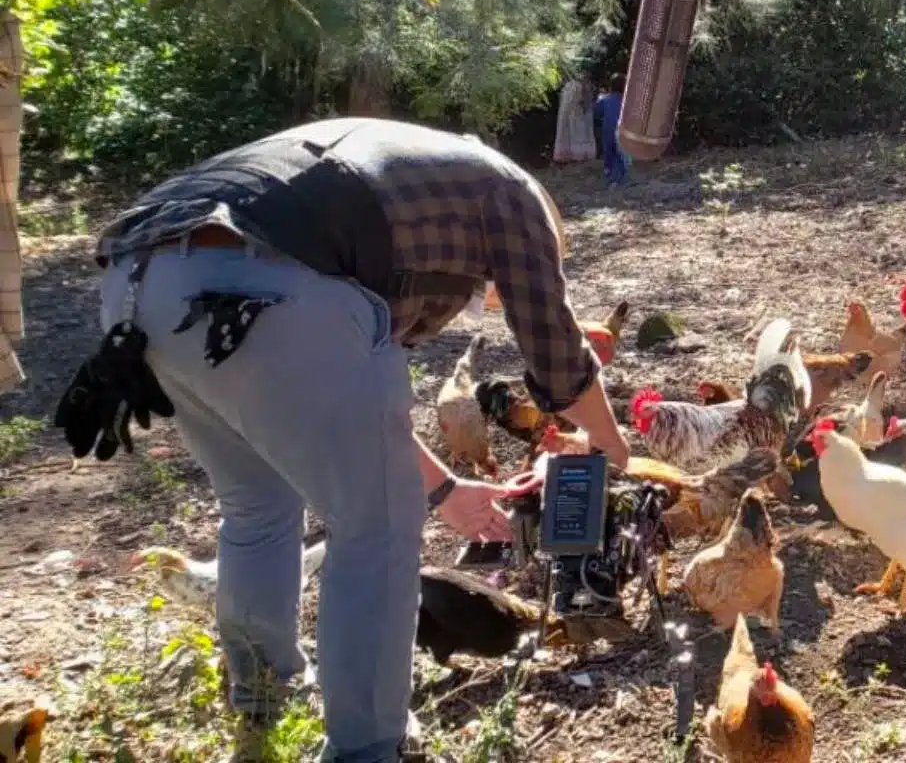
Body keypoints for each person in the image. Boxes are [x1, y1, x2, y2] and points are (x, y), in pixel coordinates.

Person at [83, 117, 631, 763]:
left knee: (258, 502)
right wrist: (616, 451)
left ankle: (263, 690)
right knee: (376, 528)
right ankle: (369, 748)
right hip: (258, 289)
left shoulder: (393, 188)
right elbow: (557, 356)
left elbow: (363, 408)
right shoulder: (508, 194)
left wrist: (446, 489)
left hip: (135, 284)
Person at [593, 73, 630, 187]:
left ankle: (610, 174)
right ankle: (623, 175)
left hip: (608, 129)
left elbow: (596, 113)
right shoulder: (627, 100)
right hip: (623, 130)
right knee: (623, 153)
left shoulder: (604, 99)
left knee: (609, 152)